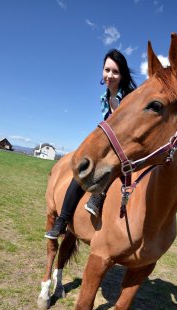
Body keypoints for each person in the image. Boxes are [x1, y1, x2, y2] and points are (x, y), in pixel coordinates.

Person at [45, 49, 137, 239]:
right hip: (109, 144)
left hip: (126, 148)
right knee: (80, 172)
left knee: (108, 167)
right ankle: (62, 222)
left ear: (123, 75)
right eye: (107, 70)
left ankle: (98, 195)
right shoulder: (104, 98)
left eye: (115, 71)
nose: (110, 75)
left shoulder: (130, 97)